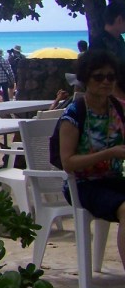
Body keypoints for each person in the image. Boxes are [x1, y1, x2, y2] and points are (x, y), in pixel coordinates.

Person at [57, 49, 125, 273]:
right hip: (83, 184)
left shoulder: (118, 109)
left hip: (113, 179)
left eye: (110, 77)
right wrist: (109, 153)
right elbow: (68, 163)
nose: (106, 82)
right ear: (86, 79)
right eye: (99, 77)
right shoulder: (74, 114)